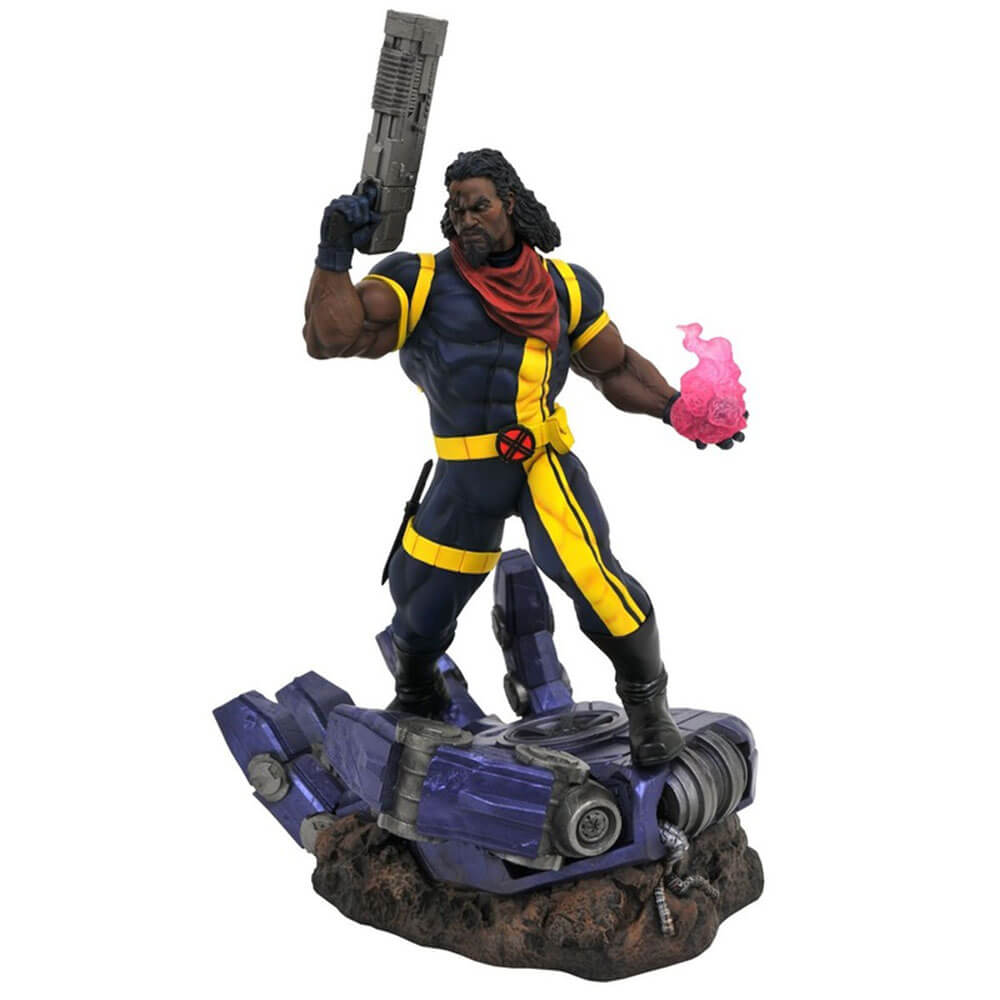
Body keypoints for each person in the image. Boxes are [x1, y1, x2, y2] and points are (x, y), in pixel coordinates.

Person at [302, 149, 743, 766]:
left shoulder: (566, 288)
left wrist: (677, 409)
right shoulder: (420, 281)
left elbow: (613, 366)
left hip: (540, 464)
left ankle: (648, 707)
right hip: (465, 469)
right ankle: (418, 696)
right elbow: (330, 338)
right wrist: (334, 254)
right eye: (456, 209)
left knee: (597, 582)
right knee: (420, 605)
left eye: (478, 206)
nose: (466, 219)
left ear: (509, 204)